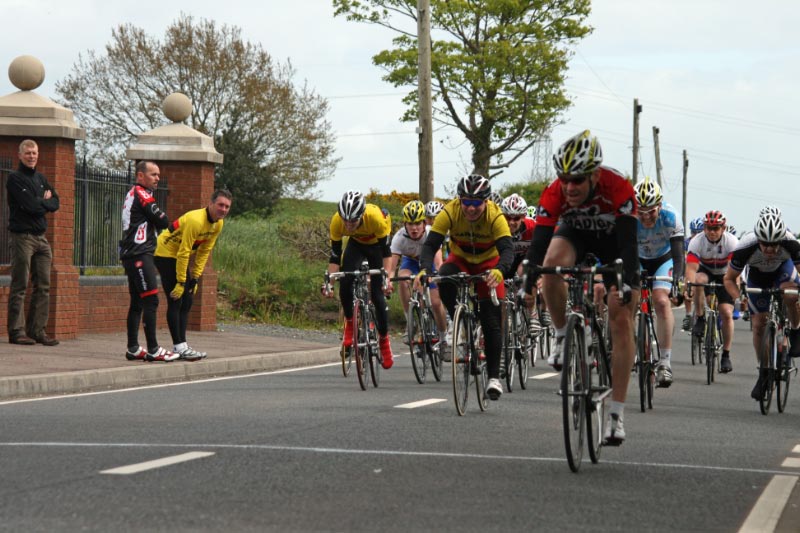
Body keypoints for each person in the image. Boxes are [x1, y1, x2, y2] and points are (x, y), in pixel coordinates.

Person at [524, 130, 640, 446]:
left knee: (620, 317)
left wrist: (625, 284)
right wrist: (529, 276)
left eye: (577, 180)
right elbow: (539, 245)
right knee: (550, 265)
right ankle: (562, 334)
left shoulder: (618, 187)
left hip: (614, 243)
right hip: (576, 235)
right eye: (564, 179)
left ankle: (616, 414)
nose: (569, 187)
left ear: (594, 175)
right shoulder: (554, 192)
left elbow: (629, 246)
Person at [416, 174, 514, 400]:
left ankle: (493, 378)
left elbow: (507, 250)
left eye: (476, 203)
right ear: (459, 200)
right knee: (444, 277)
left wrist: (500, 270)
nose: (470, 208)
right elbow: (430, 245)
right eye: (466, 202)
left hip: (488, 264)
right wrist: (424, 269)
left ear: (486, 202)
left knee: (491, 320)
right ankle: (459, 320)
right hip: (460, 260)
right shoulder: (450, 211)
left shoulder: (495, 216)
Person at [724, 210, 800, 400]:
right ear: (758, 239)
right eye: (765, 244)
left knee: (790, 296)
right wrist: (738, 298)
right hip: (758, 277)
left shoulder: (790, 242)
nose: (769, 249)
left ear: (781, 240)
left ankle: (795, 329)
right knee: (758, 325)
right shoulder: (745, 246)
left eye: (774, 244)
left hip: (783, 271)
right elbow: (729, 279)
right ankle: (764, 372)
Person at [154, 190, 233, 361]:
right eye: (220, 205)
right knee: (176, 299)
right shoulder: (196, 220)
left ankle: (182, 345)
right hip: (165, 252)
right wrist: (181, 282)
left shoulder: (218, 224)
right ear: (211, 203)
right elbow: (184, 252)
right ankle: (179, 347)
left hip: (178, 256)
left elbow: (204, 251)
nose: (223, 209)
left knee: (188, 300)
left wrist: (195, 277)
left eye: (227, 207)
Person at [323, 190, 394, 369]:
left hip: (377, 248)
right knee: (345, 283)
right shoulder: (337, 222)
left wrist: (386, 279)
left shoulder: (375, 218)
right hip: (356, 245)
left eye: (353, 221)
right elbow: (335, 257)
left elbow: (387, 255)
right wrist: (329, 283)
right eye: (345, 220)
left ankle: (384, 341)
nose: (348, 225)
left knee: (377, 296)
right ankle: (349, 324)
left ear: (361, 215)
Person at [119, 161, 177, 362]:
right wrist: (157, 218)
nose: (157, 178)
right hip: (139, 254)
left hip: (132, 253)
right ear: (140, 176)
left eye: (158, 175)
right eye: (153, 174)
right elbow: (163, 220)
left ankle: (133, 348)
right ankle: (153, 349)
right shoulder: (142, 193)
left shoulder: (133, 192)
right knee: (151, 300)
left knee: (137, 302)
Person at [6, 139, 60, 346]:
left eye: (34, 153)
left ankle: (37, 330)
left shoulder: (40, 178)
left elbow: (56, 202)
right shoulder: (14, 179)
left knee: (44, 285)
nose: (31, 156)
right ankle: (16, 331)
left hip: (41, 239)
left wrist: (42, 202)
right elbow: (30, 206)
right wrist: (43, 201)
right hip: (22, 237)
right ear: (20, 155)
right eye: (28, 153)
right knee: (20, 284)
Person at [633, 178, 684, 387]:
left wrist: (678, 282)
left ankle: (665, 362)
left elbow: (679, 257)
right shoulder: (628, 217)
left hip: (664, 259)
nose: (646, 217)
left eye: (651, 212)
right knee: (628, 300)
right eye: (641, 212)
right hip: (637, 259)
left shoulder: (671, 217)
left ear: (660, 206)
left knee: (662, 302)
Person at [388, 200, 448, 358]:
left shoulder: (431, 233)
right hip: (411, 262)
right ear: (405, 224)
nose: (414, 228)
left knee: (436, 303)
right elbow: (392, 268)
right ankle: (410, 321)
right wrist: (388, 281)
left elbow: (438, 263)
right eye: (410, 224)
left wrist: (438, 277)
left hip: (429, 263)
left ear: (424, 223)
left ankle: (443, 338)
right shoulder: (399, 237)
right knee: (402, 279)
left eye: (417, 224)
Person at [685, 210, 739, 373]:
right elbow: (691, 269)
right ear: (704, 228)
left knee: (726, 313)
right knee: (698, 280)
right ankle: (701, 318)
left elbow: (734, 271)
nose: (712, 232)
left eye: (716, 228)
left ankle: (726, 355)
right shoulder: (697, 241)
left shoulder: (732, 242)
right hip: (706, 270)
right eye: (709, 228)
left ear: (723, 228)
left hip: (726, 274)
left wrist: (737, 292)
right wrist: (689, 287)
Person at [682, 217, 706, 330]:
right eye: (693, 232)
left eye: (698, 232)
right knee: (687, 288)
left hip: (704, 269)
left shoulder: (706, 242)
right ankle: (688, 315)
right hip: (690, 268)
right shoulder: (686, 243)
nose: (695, 235)